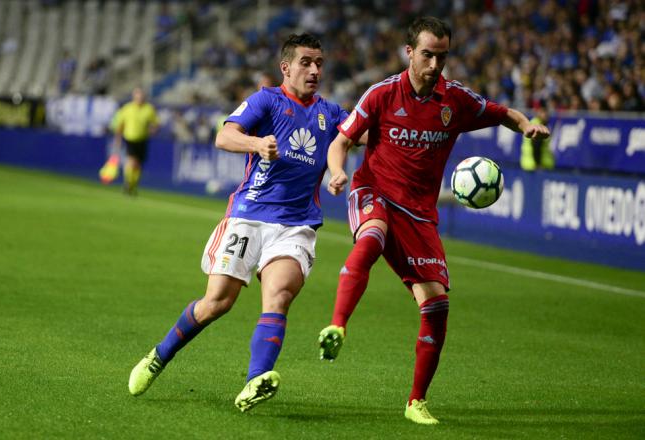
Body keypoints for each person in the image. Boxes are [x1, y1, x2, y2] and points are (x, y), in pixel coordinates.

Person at [317, 16, 550, 425]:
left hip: (419, 213)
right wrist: (336, 171)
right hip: (373, 190)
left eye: (442, 56)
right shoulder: (382, 94)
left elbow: (503, 113)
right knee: (371, 237)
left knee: (437, 305)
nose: (435, 64)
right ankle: (337, 326)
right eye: (427, 54)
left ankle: (416, 402)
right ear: (409, 52)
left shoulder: (454, 100)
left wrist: (527, 125)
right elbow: (341, 141)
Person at [128, 33, 356, 412]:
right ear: (286, 67)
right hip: (248, 216)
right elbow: (224, 135)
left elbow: (354, 137)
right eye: (306, 62)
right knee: (217, 302)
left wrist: (336, 170)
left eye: (319, 62)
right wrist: (257, 144)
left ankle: (254, 382)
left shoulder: (331, 113)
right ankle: (159, 356)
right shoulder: (266, 99)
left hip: (295, 224)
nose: (315, 69)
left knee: (279, 296)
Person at [113, 87, 159, 195]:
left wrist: (153, 129)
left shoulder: (149, 109)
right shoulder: (127, 108)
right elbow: (120, 125)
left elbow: (156, 123)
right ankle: (128, 182)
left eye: (141, 96)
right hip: (130, 138)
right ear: (134, 96)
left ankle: (133, 184)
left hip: (143, 139)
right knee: (131, 161)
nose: (140, 98)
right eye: (137, 95)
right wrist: (118, 139)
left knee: (138, 164)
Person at [520, 106, 555, 171]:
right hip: (535, 167)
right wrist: (538, 165)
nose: (546, 115)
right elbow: (536, 145)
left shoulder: (532, 123)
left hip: (529, 165)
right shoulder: (538, 126)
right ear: (538, 113)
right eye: (544, 113)